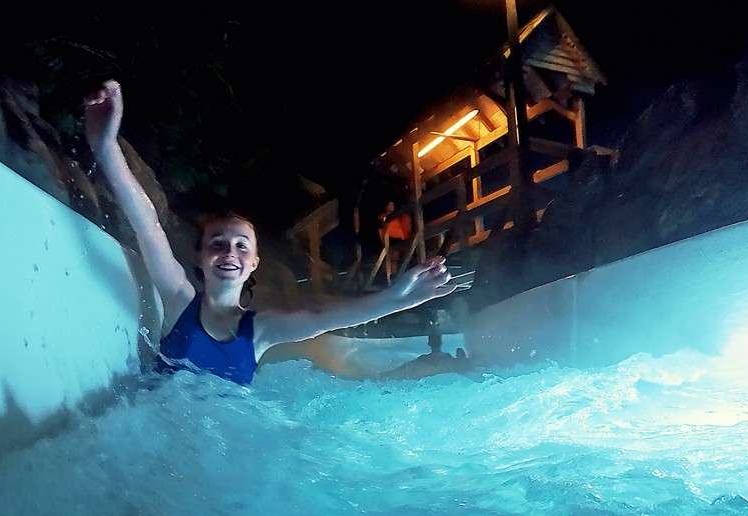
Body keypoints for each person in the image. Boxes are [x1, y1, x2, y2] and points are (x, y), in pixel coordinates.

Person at [83, 80, 470, 385]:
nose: (229, 252)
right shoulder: (179, 300)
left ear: (253, 263)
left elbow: (322, 317)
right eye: (217, 244)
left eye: (240, 246)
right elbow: (147, 224)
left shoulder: (261, 330)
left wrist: (397, 298)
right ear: (200, 257)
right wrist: (105, 146)